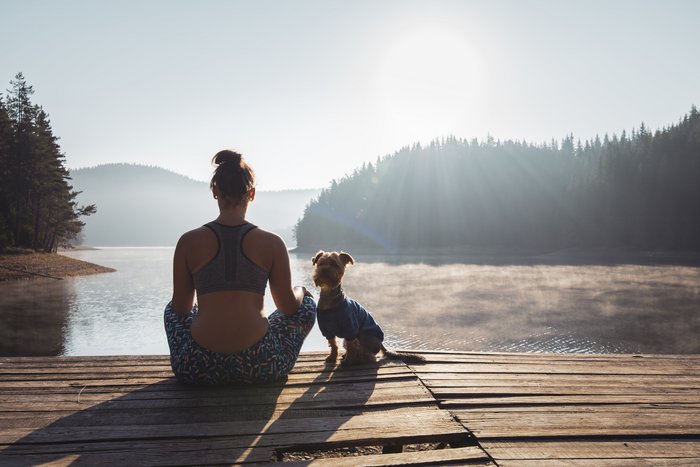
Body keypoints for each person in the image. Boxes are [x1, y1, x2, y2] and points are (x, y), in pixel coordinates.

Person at [164, 150, 316, 385]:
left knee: (170, 310)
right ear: (252, 194)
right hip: (261, 365)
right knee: (306, 304)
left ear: (215, 192)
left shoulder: (188, 242)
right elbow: (287, 307)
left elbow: (181, 309)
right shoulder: (272, 243)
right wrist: (301, 290)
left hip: (197, 367)